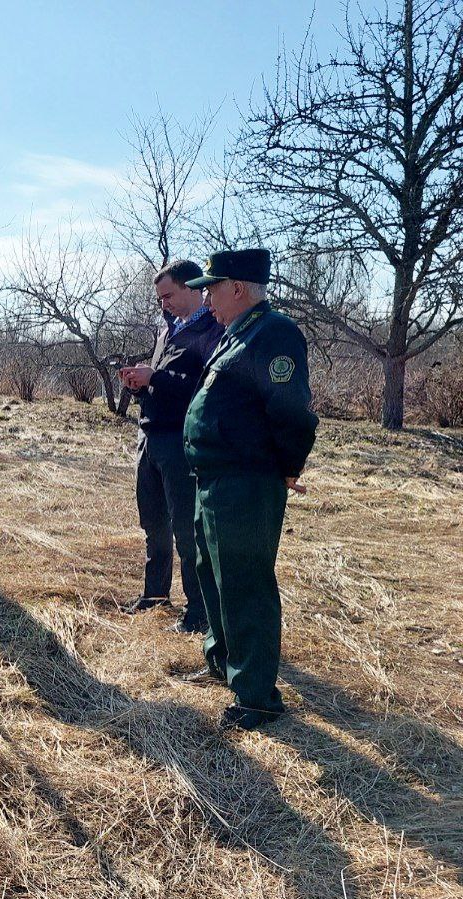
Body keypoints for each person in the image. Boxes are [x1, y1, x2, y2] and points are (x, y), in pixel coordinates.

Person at [178, 249, 318, 731]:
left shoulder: (274, 333)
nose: (206, 299)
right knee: (212, 575)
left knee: (244, 583)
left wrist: (288, 466)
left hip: (245, 480)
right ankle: (223, 663)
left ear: (237, 288)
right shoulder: (236, 333)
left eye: (211, 289)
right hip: (214, 478)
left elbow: (291, 409)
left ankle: (257, 697)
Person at [118, 260, 223, 632]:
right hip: (150, 438)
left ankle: (198, 613)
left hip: (181, 443)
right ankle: (155, 595)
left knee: (185, 528)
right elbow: (165, 383)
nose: (164, 304)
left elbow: (203, 388)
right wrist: (140, 383)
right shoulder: (169, 331)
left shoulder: (213, 331)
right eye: (160, 298)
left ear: (193, 288)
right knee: (154, 522)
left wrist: (156, 377)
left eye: (169, 295)